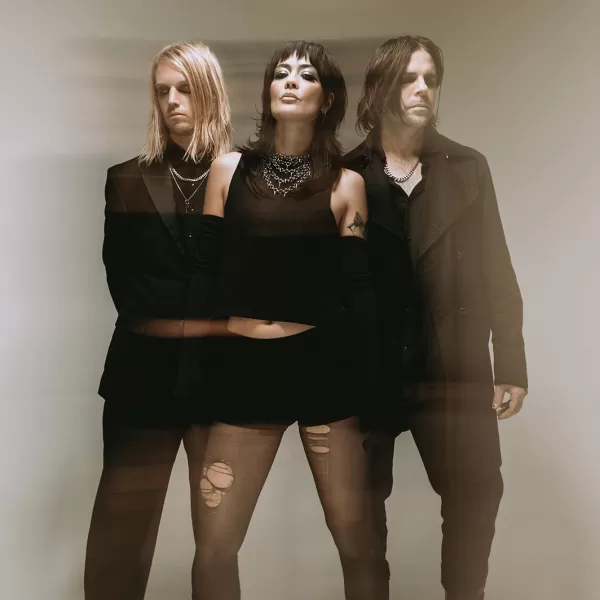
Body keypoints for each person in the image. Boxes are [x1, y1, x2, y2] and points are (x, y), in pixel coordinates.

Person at [189, 40, 379, 600]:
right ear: (268, 90)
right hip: (244, 371)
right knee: (214, 546)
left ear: (328, 99)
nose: (291, 81)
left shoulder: (346, 184)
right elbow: (203, 276)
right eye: (281, 73)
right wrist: (194, 370)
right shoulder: (228, 170)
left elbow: (359, 291)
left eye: (307, 75)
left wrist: (374, 385)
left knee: (356, 540)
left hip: (322, 369)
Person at [344, 35, 528, 600]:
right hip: (369, 368)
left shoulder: (468, 167)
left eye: (430, 78)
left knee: (477, 493)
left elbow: (496, 266)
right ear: (380, 89)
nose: (423, 88)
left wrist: (511, 361)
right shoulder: (345, 174)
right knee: (358, 510)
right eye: (408, 78)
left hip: (452, 364)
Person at [85, 41, 232, 600]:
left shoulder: (247, 179)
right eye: (162, 90)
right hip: (141, 379)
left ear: (210, 93)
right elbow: (125, 285)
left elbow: (255, 280)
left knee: (218, 542)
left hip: (221, 382)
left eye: (185, 88)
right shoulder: (126, 179)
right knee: (120, 539)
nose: (172, 100)